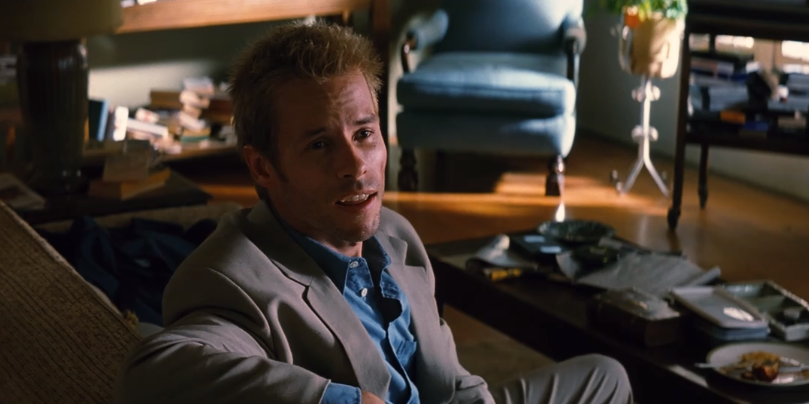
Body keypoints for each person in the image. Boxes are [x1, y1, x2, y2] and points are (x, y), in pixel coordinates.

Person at [115, 21, 633, 404]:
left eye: (364, 133)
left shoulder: (396, 234)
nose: (356, 165)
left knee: (605, 376)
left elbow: (449, 381)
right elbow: (151, 374)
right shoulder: (233, 278)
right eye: (320, 145)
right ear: (263, 167)